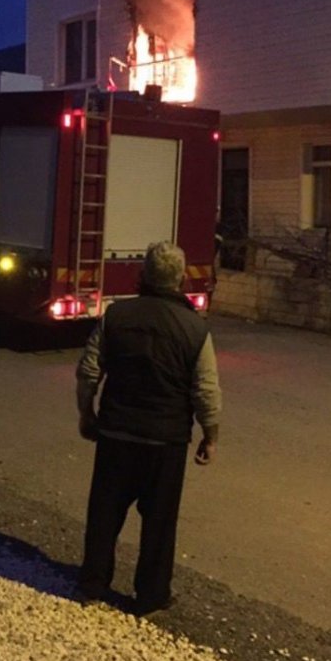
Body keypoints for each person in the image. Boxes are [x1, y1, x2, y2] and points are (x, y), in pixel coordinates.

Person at [76, 240, 222, 615]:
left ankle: (93, 583)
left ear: (144, 274)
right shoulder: (195, 328)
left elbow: (89, 370)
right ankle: (151, 595)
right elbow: (205, 389)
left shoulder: (117, 316)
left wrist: (87, 414)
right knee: (159, 525)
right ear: (181, 279)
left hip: (117, 434)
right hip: (166, 441)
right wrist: (211, 435)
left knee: (105, 513)